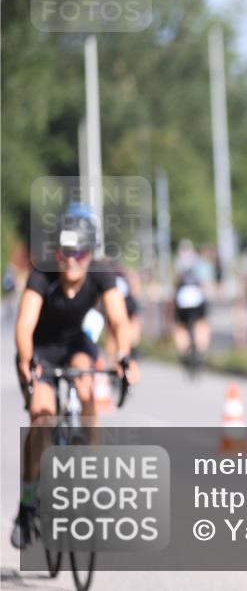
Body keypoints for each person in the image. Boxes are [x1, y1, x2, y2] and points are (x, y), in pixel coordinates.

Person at [10, 205, 140, 548]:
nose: (72, 260)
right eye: (66, 252)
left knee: (87, 387)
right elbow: (24, 324)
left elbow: (118, 319)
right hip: (41, 348)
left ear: (90, 253)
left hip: (77, 344)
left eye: (80, 253)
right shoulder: (43, 273)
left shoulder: (101, 272)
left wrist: (124, 356)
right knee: (41, 416)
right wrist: (27, 360)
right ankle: (27, 503)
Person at [173, 268, 211, 363]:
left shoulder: (180, 284)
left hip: (183, 309)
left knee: (180, 326)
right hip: (198, 308)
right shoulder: (196, 283)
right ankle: (201, 348)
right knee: (202, 323)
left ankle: (184, 350)